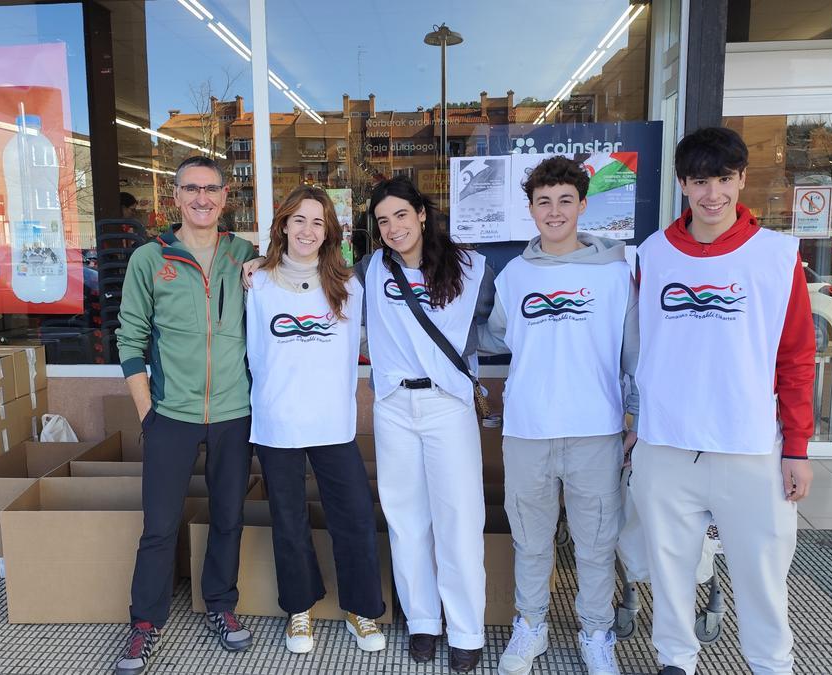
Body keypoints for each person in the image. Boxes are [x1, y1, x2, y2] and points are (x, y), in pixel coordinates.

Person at [629, 127, 815, 675]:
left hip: (749, 444)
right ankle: (675, 660)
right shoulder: (652, 255)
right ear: (683, 184)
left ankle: (770, 662)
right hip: (666, 444)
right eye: (700, 181)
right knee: (670, 568)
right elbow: (638, 346)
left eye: (725, 180)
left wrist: (798, 447)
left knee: (762, 569)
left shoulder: (776, 256)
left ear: (741, 180)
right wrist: (635, 418)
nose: (713, 194)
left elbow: (797, 357)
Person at [481, 156, 638, 675]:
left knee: (597, 542)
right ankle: (532, 627)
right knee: (531, 539)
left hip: (596, 429)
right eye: (543, 202)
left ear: (582, 205)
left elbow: (631, 354)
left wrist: (634, 417)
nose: (554, 211)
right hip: (528, 429)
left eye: (565, 201)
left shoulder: (617, 274)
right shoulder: (514, 276)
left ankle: (595, 633)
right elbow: (497, 335)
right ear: (530, 209)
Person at [113, 156, 258, 675]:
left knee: (228, 518)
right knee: (159, 525)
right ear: (174, 197)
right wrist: (147, 411)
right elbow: (129, 339)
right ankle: (144, 623)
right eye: (191, 189)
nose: (202, 198)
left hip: (233, 414)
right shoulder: (150, 260)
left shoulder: (247, 257)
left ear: (225, 197)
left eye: (211, 189)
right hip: (170, 415)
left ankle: (221, 604)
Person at [359, 176, 495, 672]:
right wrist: (258, 269)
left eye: (401, 215)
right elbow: (310, 284)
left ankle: (466, 629)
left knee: (458, 520)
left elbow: (499, 326)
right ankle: (422, 622)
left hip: (447, 406)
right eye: (382, 221)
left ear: (421, 213)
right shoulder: (369, 270)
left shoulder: (472, 267)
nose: (393, 228)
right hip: (394, 406)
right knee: (406, 518)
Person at [246, 185, 387, 655]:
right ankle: (299, 609)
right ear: (283, 224)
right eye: (299, 219)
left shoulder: (348, 285)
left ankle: (361, 609)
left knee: (354, 517)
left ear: (330, 232)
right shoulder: (256, 282)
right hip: (277, 420)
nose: (307, 230)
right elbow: (248, 351)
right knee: (288, 520)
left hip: (332, 422)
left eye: (318, 222)